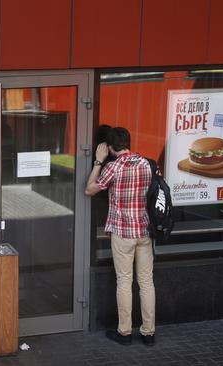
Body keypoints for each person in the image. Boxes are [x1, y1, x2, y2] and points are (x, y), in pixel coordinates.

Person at [84, 127, 156, 347]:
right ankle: (148, 333)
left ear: (110, 147)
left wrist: (98, 161)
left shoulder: (113, 168)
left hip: (123, 233)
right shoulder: (146, 164)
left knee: (124, 281)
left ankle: (124, 333)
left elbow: (89, 190)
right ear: (128, 143)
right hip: (144, 231)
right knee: (146, 282)